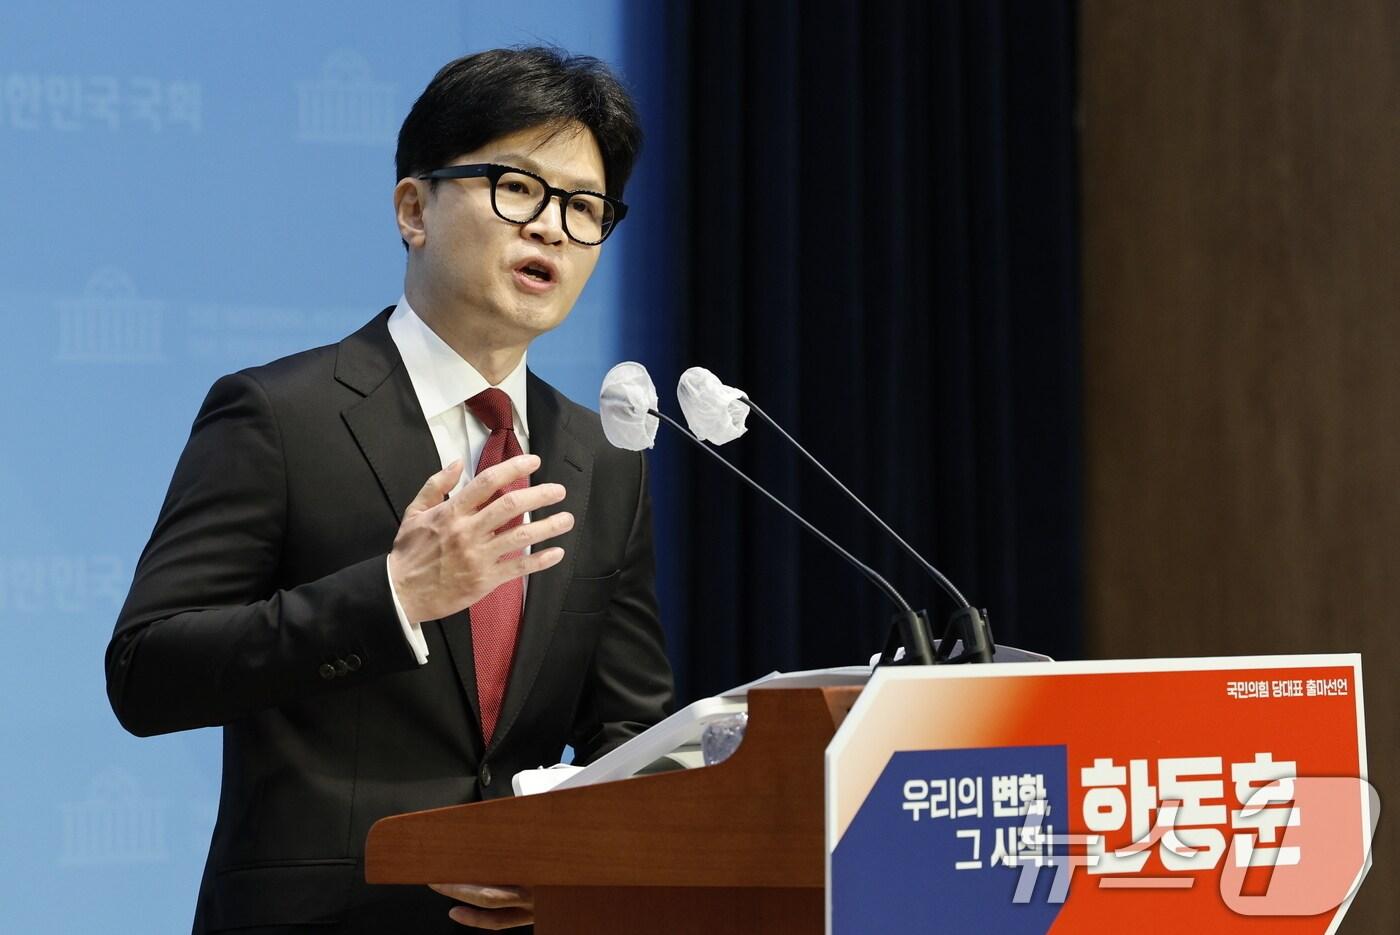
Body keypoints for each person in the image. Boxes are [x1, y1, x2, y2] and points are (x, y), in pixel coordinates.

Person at [105, 47, 674, 933]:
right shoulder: (280, 416)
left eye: (584, 207)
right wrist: (394, 595)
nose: (552, 229)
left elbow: (630, 730)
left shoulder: (604, 461)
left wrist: (578, 861)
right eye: (517, 188)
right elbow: (146, 672)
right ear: (414, 208)